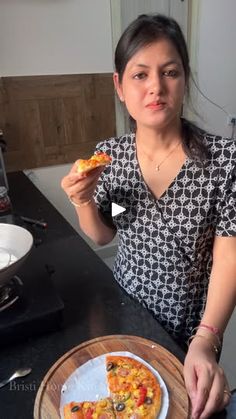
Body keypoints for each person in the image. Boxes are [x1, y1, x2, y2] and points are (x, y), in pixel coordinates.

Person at [61, 14, 236, 419]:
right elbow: (104, 234)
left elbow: (228, 258)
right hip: (122, 316)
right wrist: (83, 200)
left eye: (169, 72)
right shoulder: (111, 157)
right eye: (140, 75)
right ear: (119, 86)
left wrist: (206, 340)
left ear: (184, 79)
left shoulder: (225, 163)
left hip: (189, 333)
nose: (156, 86)